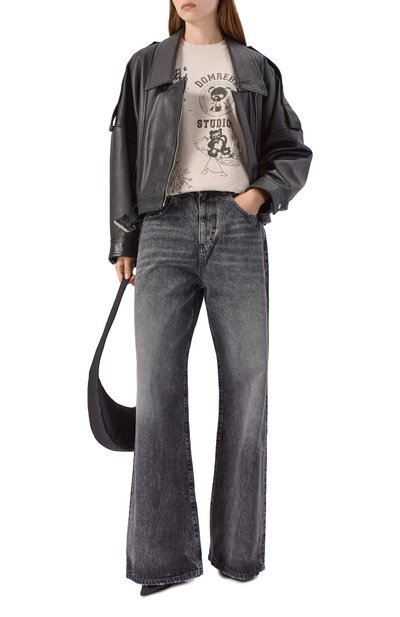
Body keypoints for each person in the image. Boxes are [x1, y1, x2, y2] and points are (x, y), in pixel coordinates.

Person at [108, 0, 313, 596]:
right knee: (158, 389)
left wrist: (258, 196)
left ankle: (239, 555)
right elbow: (123, 150)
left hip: (237, 229)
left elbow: (291, 149)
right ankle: (162, 559)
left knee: (247, 386)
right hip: (163, 230)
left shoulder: (256, 67)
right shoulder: (146, 65)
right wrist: (123, 238)